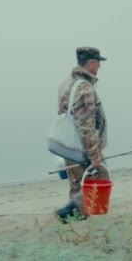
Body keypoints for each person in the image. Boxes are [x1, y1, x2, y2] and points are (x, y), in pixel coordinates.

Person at [55, 47, 110, 223]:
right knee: (98, 180)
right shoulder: (84, 88)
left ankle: (75, 225)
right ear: (91, 63)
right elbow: (85, 126)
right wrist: (94, 156)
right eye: (98, 62)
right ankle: (66, 214)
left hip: (66, 145)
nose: (100, 67)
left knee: (77, 184)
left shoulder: (67, 83)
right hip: (81, 147)